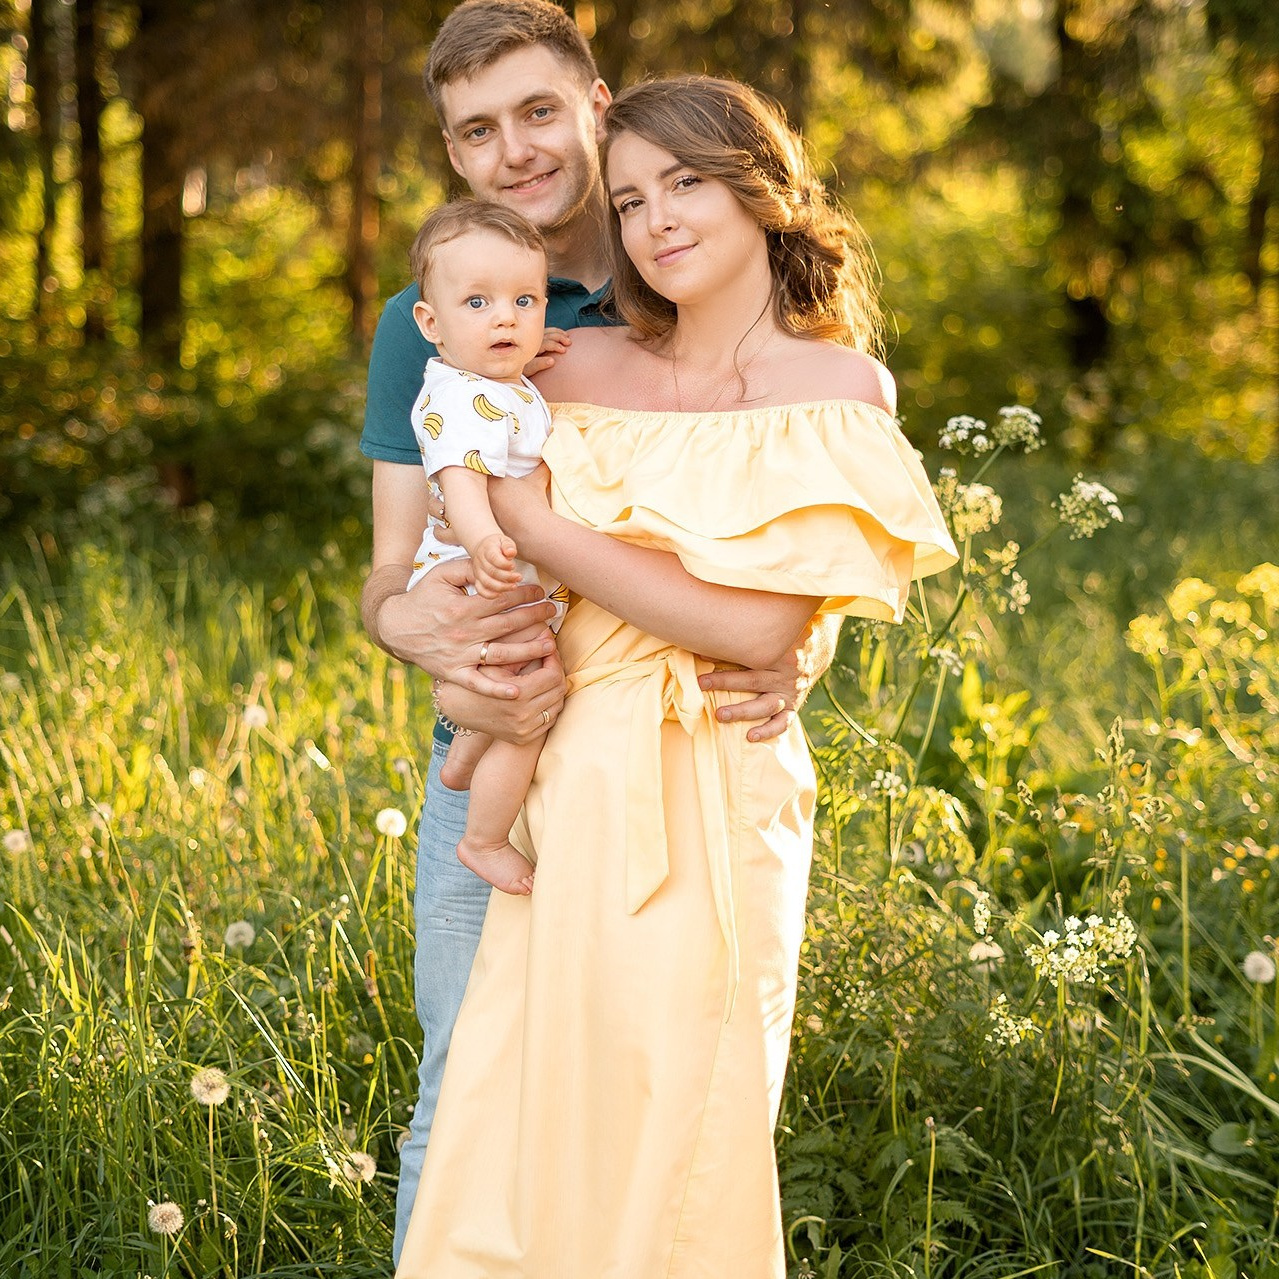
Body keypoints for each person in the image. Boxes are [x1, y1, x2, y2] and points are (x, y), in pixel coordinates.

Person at [395, 75, 958, 1278]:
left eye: (688, 184)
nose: (655, 220)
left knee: (686, 1126)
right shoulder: (558, 359)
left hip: (716, 791)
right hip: (544, 793)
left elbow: (756, 632)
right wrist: (457, 669)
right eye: (635, 194)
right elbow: (443, 565)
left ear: (760, 190)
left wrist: (545, 533)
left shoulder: (839, 390)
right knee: (510, 1127)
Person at [357, 1, 834, 1261]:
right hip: (506, 728)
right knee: (463, 1080)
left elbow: (766, 488)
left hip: (663, 755)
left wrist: (787, 644)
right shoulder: (445, 309)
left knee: (661, 1095)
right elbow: (387, 575)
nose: (511, 150)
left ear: (595, 98)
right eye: (474, 131)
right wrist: (432, 639)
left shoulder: (677, 281)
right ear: (451, 154)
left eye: (534, 110)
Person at [404, 198, 568, 896]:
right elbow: (459, 479)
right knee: (528, 712)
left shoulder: (493, 382)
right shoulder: (456, 398)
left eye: (524, 300)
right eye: (478, 302)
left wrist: (538, 352)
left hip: (502, 580)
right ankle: (483, 838)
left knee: (503, 699)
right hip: (483, 581)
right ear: (431, 323)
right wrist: (487, 538)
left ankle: (464, 757)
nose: (505, 317)